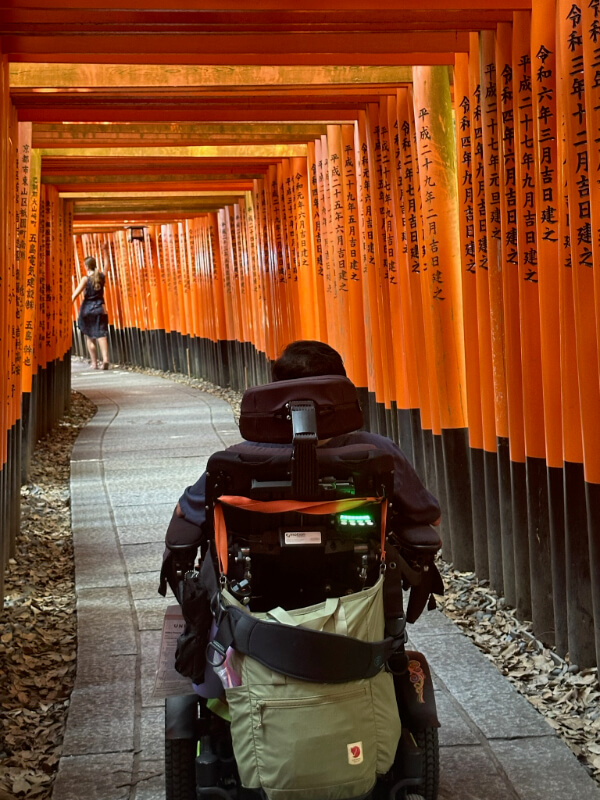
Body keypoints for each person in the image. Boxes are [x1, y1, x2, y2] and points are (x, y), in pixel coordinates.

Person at [163, 340, 441, 585]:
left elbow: (187, 511)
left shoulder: (237, 461)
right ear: (341, 393)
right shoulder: (378, 453)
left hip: (253, 588)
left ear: (277, 391)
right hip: (357, 588)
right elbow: (427, 514)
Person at [72, 255, 110, 370]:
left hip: (87, 310)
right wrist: (105, 251)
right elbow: (107, 265)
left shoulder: (85, 279)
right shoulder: (101, 276)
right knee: (101, 335)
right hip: (100, 308)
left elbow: (75, 295)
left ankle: (94, 363)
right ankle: (105, 360)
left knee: (90, 337)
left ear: (86, 266)